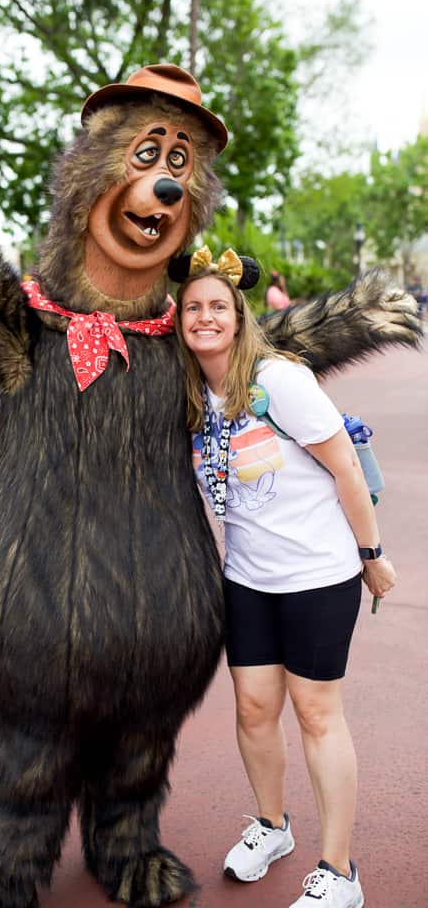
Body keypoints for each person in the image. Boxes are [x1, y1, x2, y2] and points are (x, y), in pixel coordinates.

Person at [176, 261, 397, 908]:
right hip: (246, 577)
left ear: (238, 314)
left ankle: (339, 872)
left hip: (317, 576)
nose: (206, 318)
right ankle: (271, 827)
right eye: (192, 309)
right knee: (251, 709)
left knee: (314, 713)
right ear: (179, 324)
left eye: (218, 306)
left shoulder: (278, 380)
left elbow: (346, 473)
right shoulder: (191, 397)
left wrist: (371, 554)